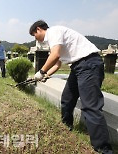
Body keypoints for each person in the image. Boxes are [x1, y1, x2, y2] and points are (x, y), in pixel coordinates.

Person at [29, 20, 113, 154]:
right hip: (78, 67)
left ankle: (103, 149)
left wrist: (41, 72)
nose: (36, 39)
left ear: (38, 29)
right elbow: (57, 63)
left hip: (88, 64)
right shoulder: (55, 39)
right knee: (67, 98)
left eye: (34, 35)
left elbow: (54, 55)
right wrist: (43, 76)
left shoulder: (53, 32)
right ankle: (66, 127)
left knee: (90, 106)